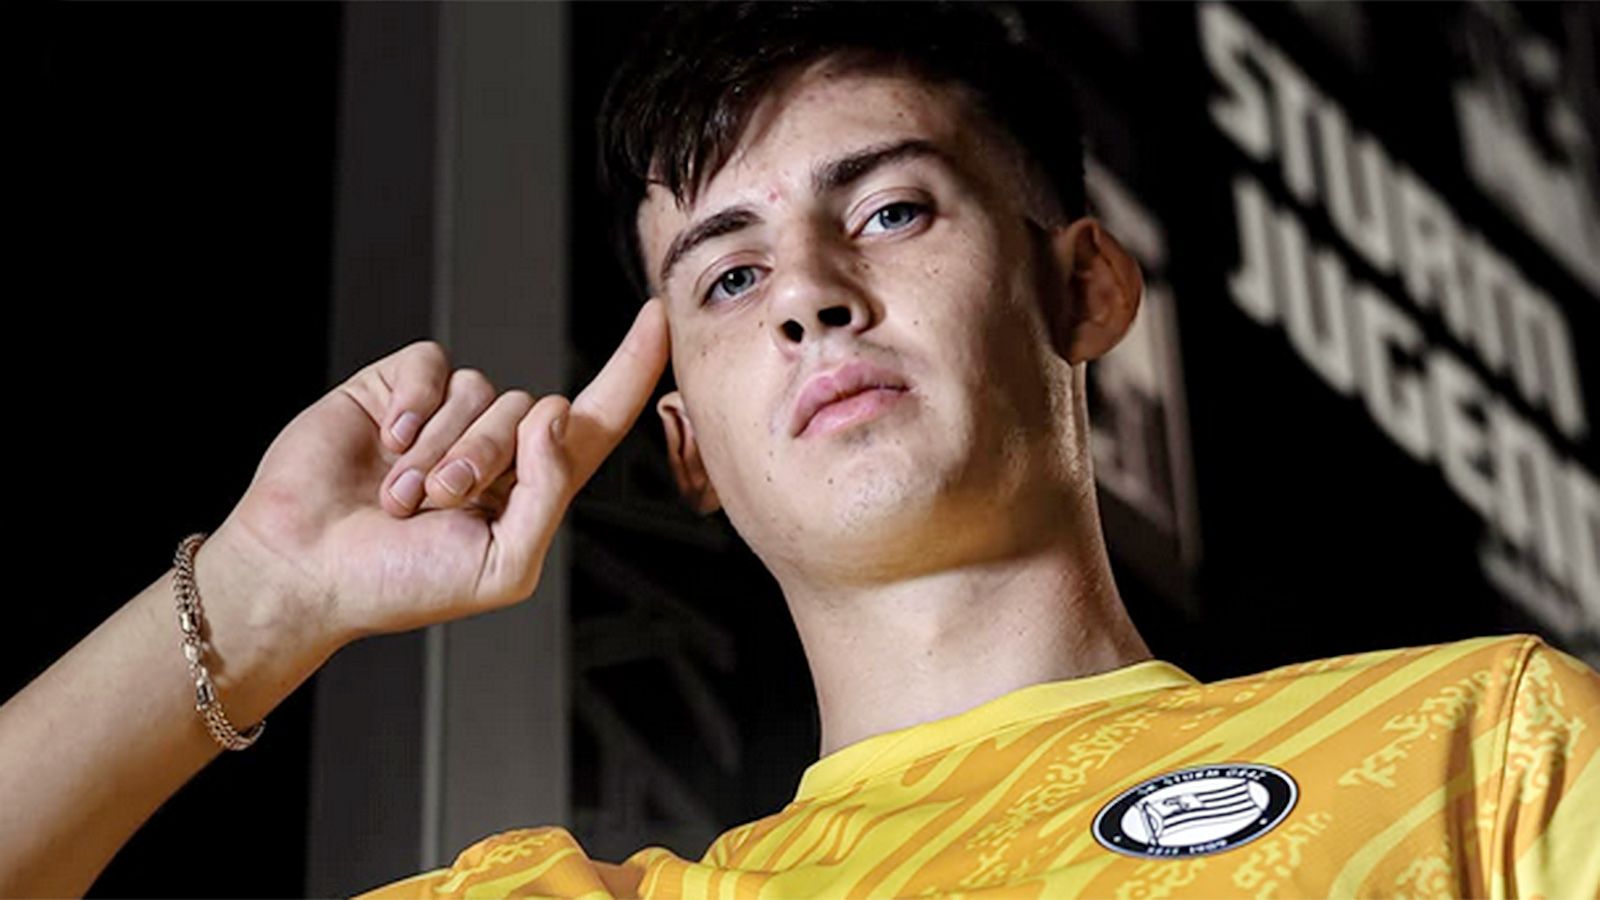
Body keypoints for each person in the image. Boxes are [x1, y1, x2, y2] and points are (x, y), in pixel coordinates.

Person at [3, 2, 1596, 897]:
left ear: (1084, 287)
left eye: (890, 210)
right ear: (687, 448)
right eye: (728, 277)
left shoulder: (1481, 740)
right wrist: (263, 598)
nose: (811, 298)